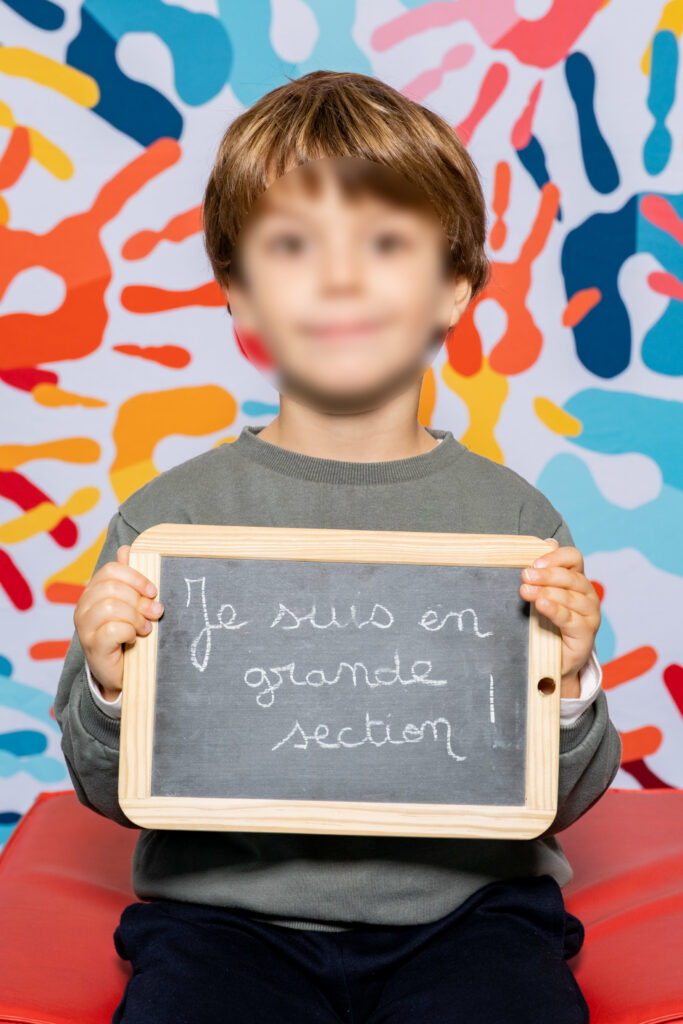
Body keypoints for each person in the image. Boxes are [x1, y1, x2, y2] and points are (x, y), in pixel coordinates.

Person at [55, 70, 622, 1023]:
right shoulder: (170, 523)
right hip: (222, 920)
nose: (340, 277)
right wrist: (111, 691)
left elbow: (560, 798)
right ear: (239, 296)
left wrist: (568, 685)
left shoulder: (514, 524)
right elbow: (109, 790)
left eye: (385, 242)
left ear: (454, 287)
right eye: (292, 245)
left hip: (469, 918)